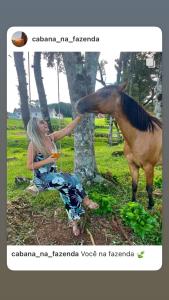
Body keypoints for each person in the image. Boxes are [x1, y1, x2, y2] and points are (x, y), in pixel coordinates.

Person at [27, 116, 99, 237]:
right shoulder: (34, 144)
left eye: (44, 121)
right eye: (41, 122)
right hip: (42, 179)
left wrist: (80, 115)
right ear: (35, 127)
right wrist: (48, 160)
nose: (45, 123)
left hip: (53, 174)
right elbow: (29, 165)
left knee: (69, 190)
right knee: (70, 179)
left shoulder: (51, 138)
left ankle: (74, 222)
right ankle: (86, 201)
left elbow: (68, 129)